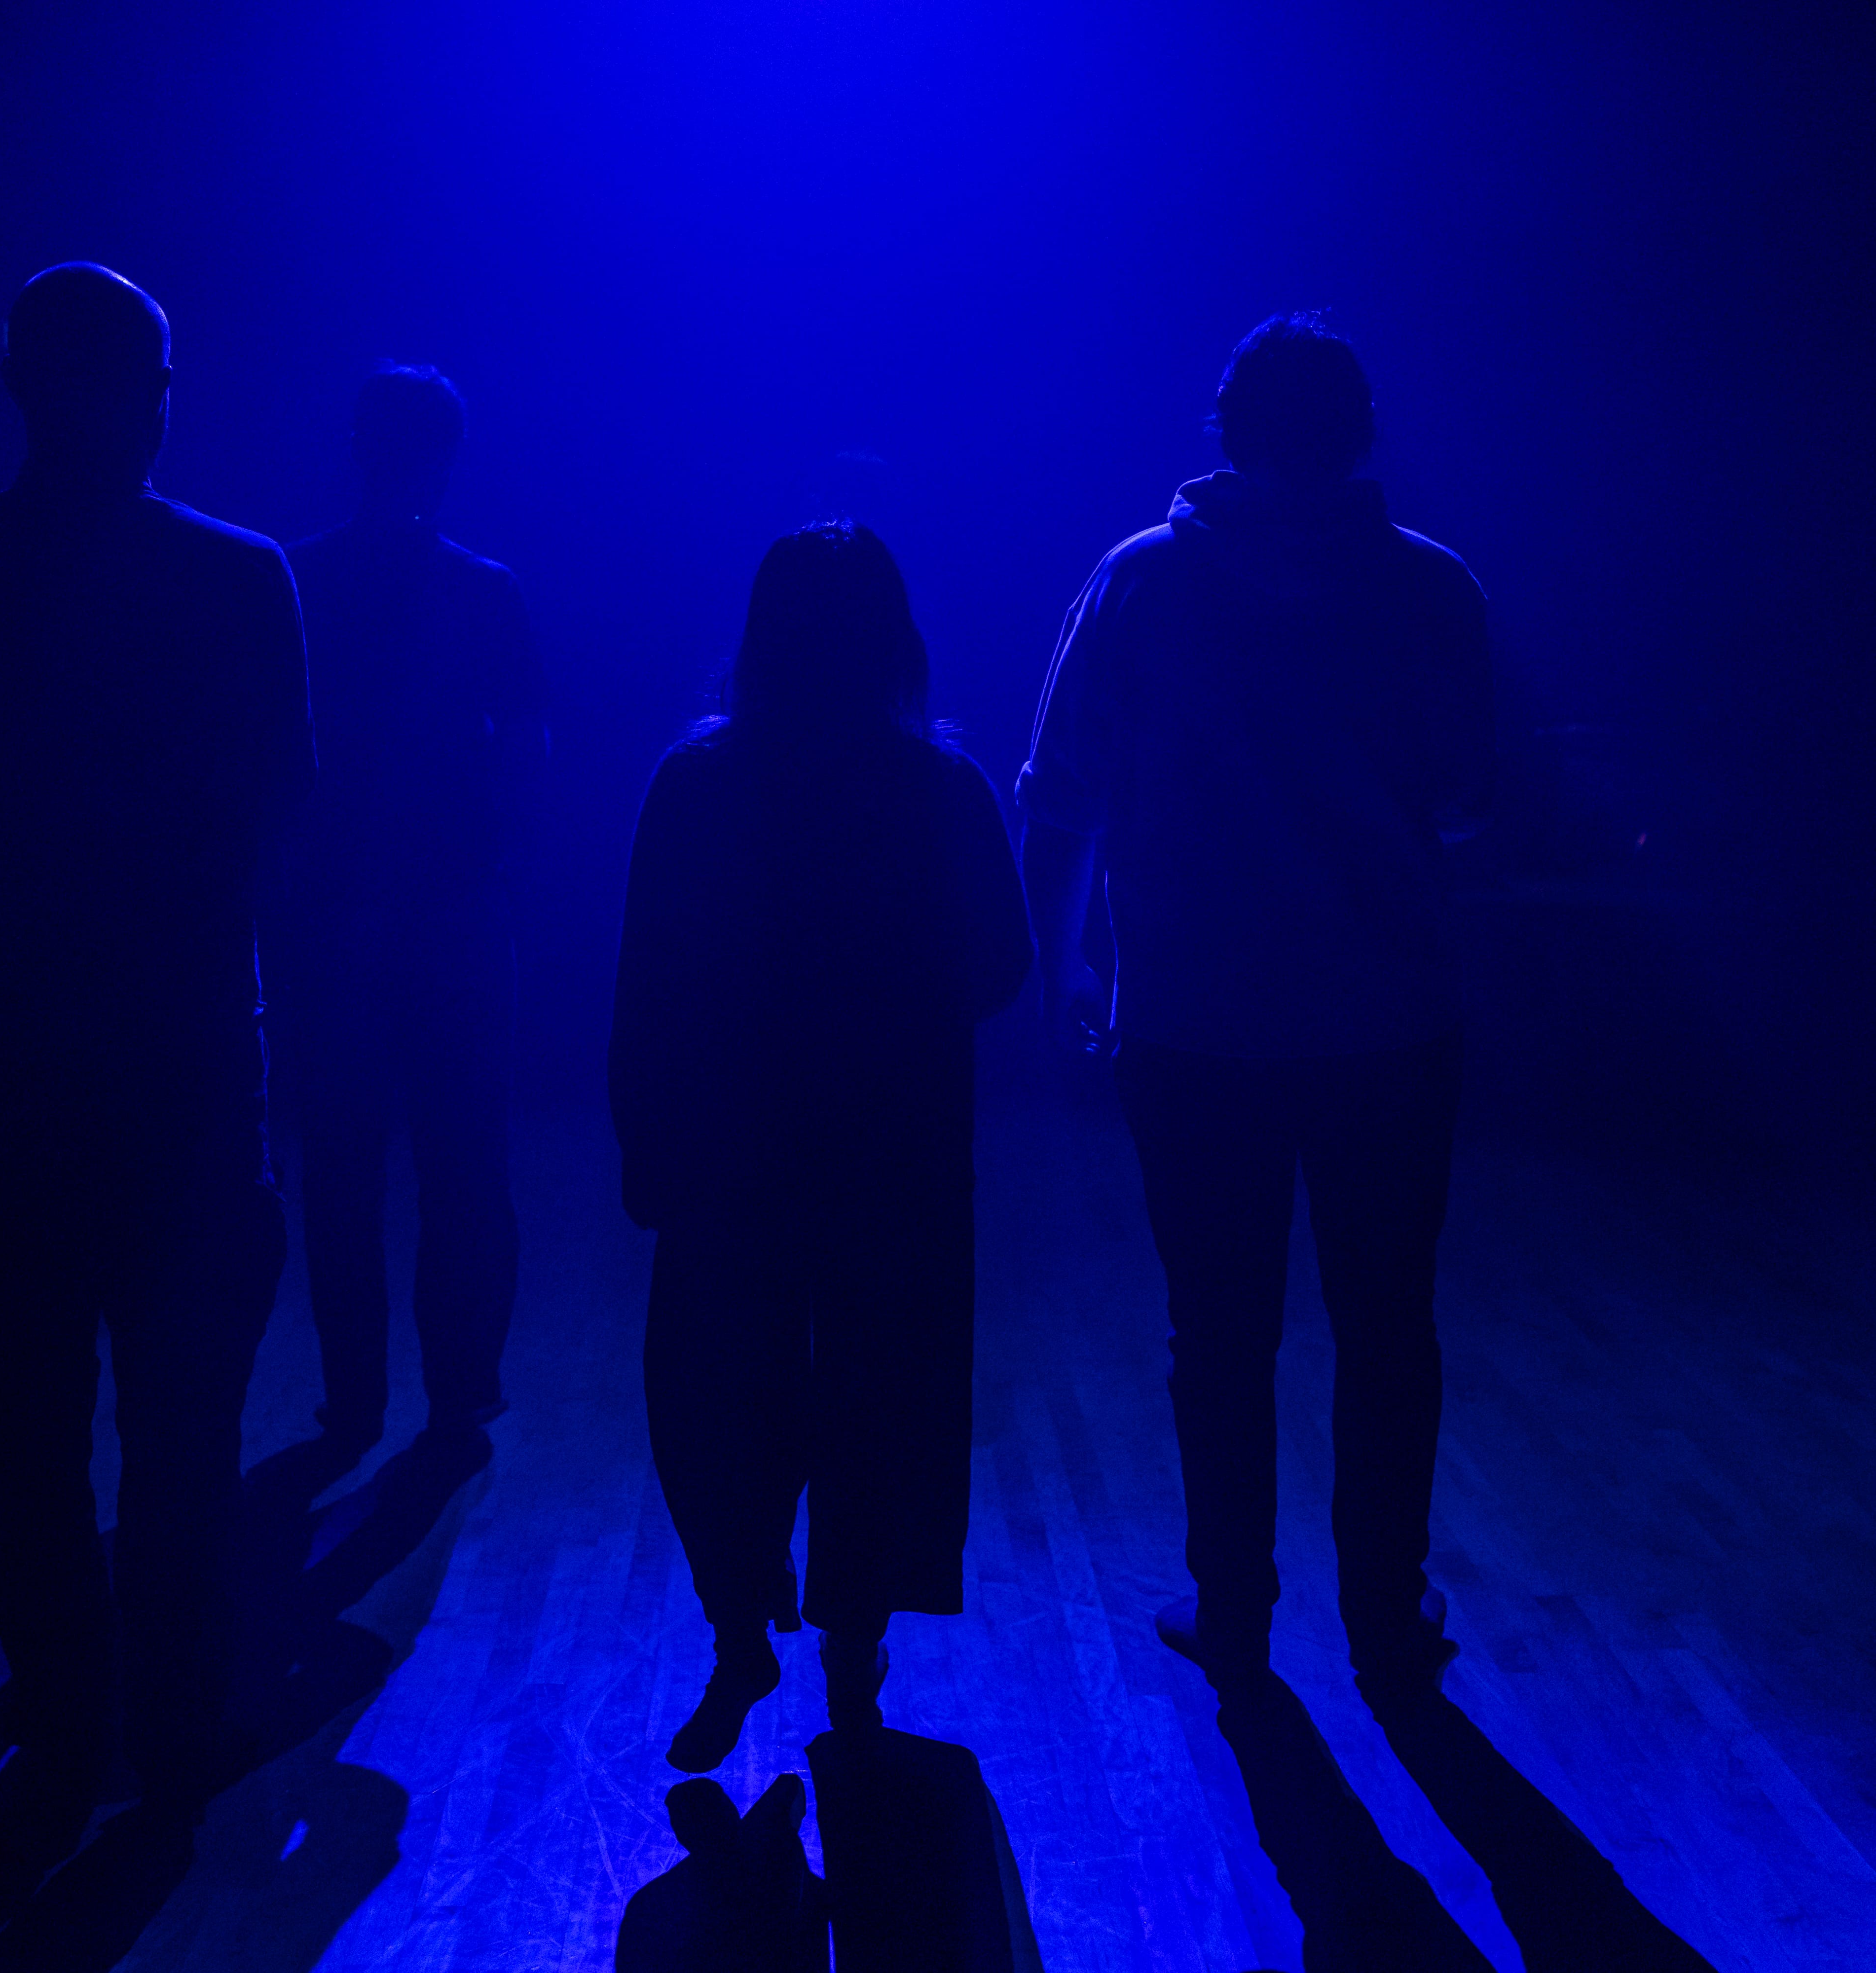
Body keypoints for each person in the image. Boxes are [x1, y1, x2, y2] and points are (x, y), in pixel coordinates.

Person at [0, 263, 313, 1874]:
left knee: (25, 1435)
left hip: (7, 1059)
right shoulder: (240, 578)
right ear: (155, 394)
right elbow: (283, 812)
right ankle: (176, 1730)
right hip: (187, 1063)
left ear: (17, 386)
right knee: (184, 1436)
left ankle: (68, 1729)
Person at [1018, 313, 1492, 1699]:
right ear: (1360, 432)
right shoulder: (1430, 588)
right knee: (1388, 1325)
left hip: (1195, 1022)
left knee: (1218, 1332)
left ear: (1227, 429)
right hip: (1388, 1021)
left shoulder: (1140, 581)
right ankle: (1385, 1611)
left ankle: (1233, 1604)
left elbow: (1060, 799)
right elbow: (1474, 801)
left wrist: (1066, 963)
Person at [610, 521, 1030, 1771]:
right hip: (895, 1150)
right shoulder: (941, 788)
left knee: (712, 1396)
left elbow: (644, 980)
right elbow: (1003, 964)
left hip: (726, 1150)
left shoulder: (697, 783)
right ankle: (855, 1647)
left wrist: (645, 1136)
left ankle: (742, 1630)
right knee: (884, 1392)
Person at [273, 365, 544, 1480]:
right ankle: (460, 1392)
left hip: (334, 914)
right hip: (454, 910)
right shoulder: (483, 589)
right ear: (447, 458)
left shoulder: (297, 579)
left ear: (358, 446)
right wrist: (490, 856)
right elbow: (524, 746)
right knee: (465, 1163)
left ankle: (353, 1397)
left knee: (342, 1168)